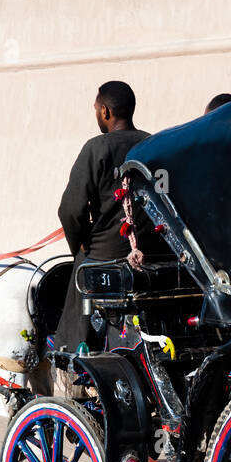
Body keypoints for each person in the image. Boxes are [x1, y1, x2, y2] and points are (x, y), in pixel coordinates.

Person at [53, 81, 162, 358]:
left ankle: (75, 354)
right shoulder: (155, 146)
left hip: (106, 255)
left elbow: (70, 211)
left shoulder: (96, 148)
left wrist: (79, 245)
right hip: (152, 253)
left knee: (80, 267)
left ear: (104, 111)